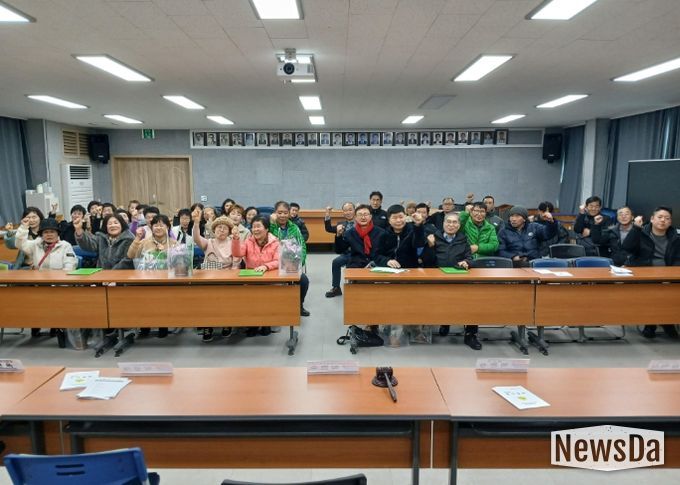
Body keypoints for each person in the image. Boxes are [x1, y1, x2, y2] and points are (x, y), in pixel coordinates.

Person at [15, 217, 78, 344]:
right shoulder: (36, 244)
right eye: (46, 232)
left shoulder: (65, 246)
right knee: (28, 298)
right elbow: (19, 244)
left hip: (59, 286)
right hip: (39, 285)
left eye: (52, 232)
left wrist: (57, 283)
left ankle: (56, 326)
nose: (49, 235)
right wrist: (23, 228)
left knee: (54, 301)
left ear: (57, 233)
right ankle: (36, 323)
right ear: (41, 234)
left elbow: (70, 266)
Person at [622, 207, 680, 339]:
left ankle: (666, 321)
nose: (663, 220)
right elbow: (627, 247)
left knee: (671, 291)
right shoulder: (641, 233)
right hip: (644, 273)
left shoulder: (676, 237)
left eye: (667, 218)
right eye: (660, 217)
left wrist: (672, 274)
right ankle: (653, 323)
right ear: (652, 219)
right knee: (653, 290)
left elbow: (678, 259)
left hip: (668, 274)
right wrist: (635, 228)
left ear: (670, 222)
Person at [424, 213, 480, 349]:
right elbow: (426, 261)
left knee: (472, 301)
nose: (451, 225)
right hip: (437, 280)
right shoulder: (433, 238)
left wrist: (466, 262)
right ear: (443, 224)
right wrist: (429, 246)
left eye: (455, 222)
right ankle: (445, 322)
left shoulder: (463, 239)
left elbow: (470, 258)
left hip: (458, 280)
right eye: (448, 222)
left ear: (459, 225)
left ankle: (470, 334)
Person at [192, 210, 241, 341]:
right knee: (206, 302)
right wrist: (196, 223)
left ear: (229, 231)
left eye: (225, 228)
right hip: (209, 279)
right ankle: (207, 326)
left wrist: (230, 279)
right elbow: (196, 238)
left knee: (227, 301)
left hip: (227, 279)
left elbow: (236, 263)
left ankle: (227, 324)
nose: (222, 230)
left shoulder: (233, 242)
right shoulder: (209, 242)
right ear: (214, 230)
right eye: (219, 227)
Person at [127, 214, 177, 338]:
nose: (158, 228)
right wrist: (137, 239)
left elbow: (179, 263)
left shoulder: (174, 243)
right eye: (155, 225)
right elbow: (130, 255)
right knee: (145, 304)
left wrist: (165, 253)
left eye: (162, 225)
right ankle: (145, 327)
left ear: (168, 227)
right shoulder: (144, 242)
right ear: (151, 227)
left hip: (166, 282)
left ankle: (163, 327)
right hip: (146, 280)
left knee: (163, 304)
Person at [232, 215, 280, 336]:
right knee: (251, 301)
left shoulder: (275, 242)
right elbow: (237, 253)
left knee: (266, 300)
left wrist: (266, 266)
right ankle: (253, 325)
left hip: (269, 278)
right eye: (253, 227)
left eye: (259, 226)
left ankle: (266, 324)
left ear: (267, 228)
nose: (256, 229)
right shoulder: (248, 241)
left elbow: (278, 261)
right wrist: (236, 239)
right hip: (252, 278)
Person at [269, 201, 310, 317]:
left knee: (304, 281)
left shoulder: (294, 228)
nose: (282, 215)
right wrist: (272, 223)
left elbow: (302, 246)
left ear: (289, 213)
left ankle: (299, 305)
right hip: (272, 264)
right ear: (275, 213)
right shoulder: (270, 226)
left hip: (290, 264)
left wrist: (299, 262)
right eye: (279, 213)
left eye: (285, 213)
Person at [375, 205, 426, 269]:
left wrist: (418, 225)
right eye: (394, 218)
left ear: (405, 217)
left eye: (401, 217)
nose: (398, 220)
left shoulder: (413, 230)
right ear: (389, 220)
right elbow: (377, 255)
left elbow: (419, 244)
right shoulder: (384, 234)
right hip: (389, 269)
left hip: (410, 269)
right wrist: (387, 261)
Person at [324, 203, 355, 297]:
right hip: (347, 253)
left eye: (350, 209)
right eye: (345, 210)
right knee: (336, 262)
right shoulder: (340, 224)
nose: (348, 212)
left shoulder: (361, 222)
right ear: (343, 213)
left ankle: (355, 287)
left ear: (355, 211)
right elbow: (328, 228)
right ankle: (336, 288)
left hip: (359, 253)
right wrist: (327, 214)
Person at [344, 204, 385, 268]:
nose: (363, 217)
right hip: (356, 266)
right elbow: (340, 250)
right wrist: (338, 236)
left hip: (376, 265)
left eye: (365, 214)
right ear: (355, 217)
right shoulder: (349, 233)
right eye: (360, 215)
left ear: (370, 216)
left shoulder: (381, 232)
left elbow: (385, 252)